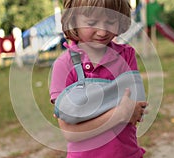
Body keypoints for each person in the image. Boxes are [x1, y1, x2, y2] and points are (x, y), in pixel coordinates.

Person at [50, 0, 148, 157]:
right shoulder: (64, 65)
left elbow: (136, 112)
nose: (102, 32)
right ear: (73, 20)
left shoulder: (126, 55)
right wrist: (119, 114)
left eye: (110, 21)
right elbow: (71, 132)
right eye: (92, 22)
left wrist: (81, 111)